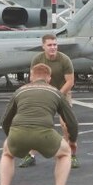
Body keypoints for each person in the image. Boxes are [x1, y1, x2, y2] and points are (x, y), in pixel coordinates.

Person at [0, 63, 79, 185]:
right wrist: (73, 141)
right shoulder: (56, 92)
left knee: (7, 154)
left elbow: (5, 120)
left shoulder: (19, 91)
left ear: (31, 77)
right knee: (65, 154)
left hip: (18, 132)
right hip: (45, 133)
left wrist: (10, 137)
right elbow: (71, 122)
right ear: (49, 78)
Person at [19, 34, 79, 169]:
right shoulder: (37, 59)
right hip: (44, 93)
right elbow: (33, 79)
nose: (53, 47)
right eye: (50, 45)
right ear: (43, 46)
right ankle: (31, 156)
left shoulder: (64, 60)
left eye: (55, 45)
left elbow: (70, 82)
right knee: (36, 125)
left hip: (62, 92)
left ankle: (72, 155)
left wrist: (56, 95)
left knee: (67, 126)